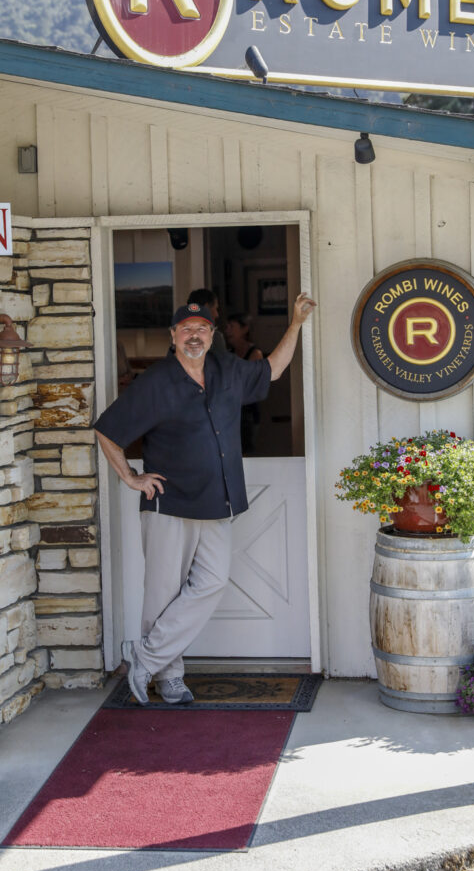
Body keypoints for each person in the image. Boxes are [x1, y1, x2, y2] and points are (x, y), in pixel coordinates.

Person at [94, 293, 316, 706]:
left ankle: (145, 657)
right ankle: (170, 677)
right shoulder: (156, 381)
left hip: (218, 500)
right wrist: (130, 477)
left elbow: (273, 369)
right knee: (162, 594)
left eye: (201, 329)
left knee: (211, 582)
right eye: (186, 329)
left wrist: (296, 324)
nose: (194, 336)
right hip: (169, 502)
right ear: (173, 336)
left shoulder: (226, 369)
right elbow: (108, 429)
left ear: (212, 335)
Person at [224, 313, 264, 453]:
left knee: (246, 451)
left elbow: (251, 386)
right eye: (227, 326)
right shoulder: (227, 354)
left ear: (244, 329)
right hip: (230, 413)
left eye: (232, 326)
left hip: (248, 413)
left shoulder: (255, 353)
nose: (227, 330)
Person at [187, 287, 226, 356]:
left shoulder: (178, 337)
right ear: (206, 308)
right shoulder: (214, 337)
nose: (217, 315)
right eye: (215, 309)